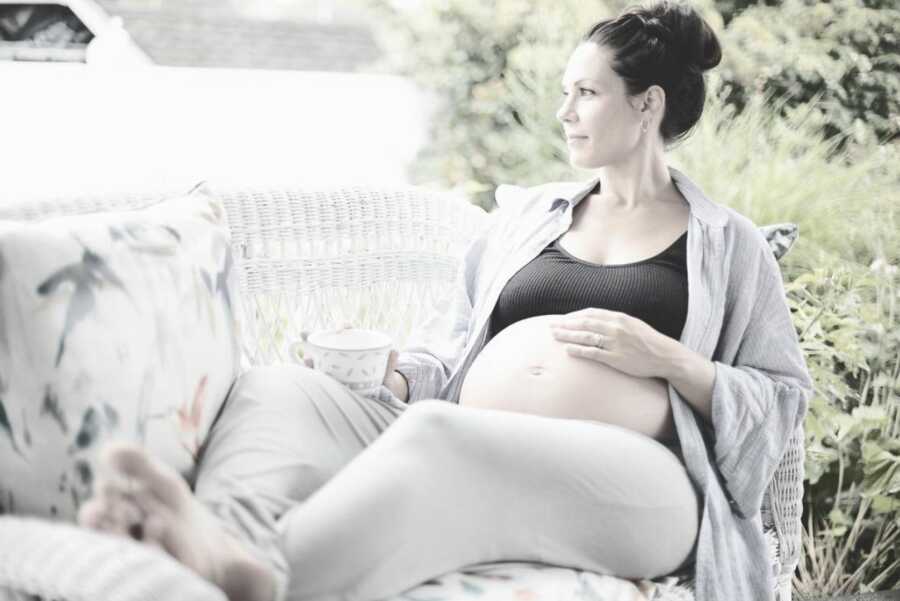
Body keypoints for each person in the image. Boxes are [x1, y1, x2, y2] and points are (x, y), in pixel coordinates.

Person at [77, 2, 814, 601]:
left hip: (644, 487)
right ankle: (206, 540)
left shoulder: (727, 245)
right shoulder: (530, 215)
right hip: (474, 432)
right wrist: (396, 374)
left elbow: (781, 400)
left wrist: (670, 360)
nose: (565, 111)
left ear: (647, 105)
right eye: (566, 91)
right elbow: (454, 349)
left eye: (585, 92)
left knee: (438, 438)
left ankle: (258, 580)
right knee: (279, 391)